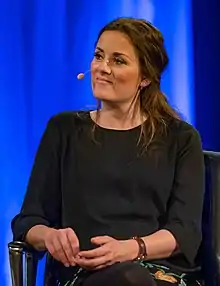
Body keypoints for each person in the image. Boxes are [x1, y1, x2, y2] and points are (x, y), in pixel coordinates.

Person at [11, 17, 205, 286]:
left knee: (132, 278)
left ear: (145, 77)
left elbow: (184, 232)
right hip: (84, 273)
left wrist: (129, 249)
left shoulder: (180, 138)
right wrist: (49, 237)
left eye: (118, 61)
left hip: (158, 273)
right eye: (99, 56)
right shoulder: (64, 130)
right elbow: (28, 221)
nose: (102, 68)